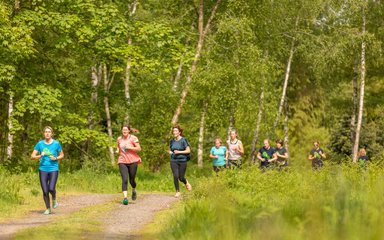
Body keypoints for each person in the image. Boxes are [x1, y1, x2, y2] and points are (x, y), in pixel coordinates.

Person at [31, 126, 64, 215]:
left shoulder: (56, 144)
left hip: (53, 169)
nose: (47, 133)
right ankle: (48, 208)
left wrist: (56, 158)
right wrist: (40, 156)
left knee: (51, 188)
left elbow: (62, 155)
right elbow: (32, 156)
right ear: (43, 133)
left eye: (49, 132)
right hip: (43, 169)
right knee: (45, 191)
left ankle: (54, 199)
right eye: (45, 132)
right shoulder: (40, 144)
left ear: (52, 133)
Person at [116, 125, 141, 205]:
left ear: (129, 131)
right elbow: (118, 148)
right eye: (123, 130)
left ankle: (133, 189)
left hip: (133, 160)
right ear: (121, 131)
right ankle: (125, 198)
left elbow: (139, 149)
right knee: (125, 179)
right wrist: (117, 151)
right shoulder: (119, 139)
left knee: (132, 179)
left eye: (126, 130)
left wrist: (130, 147)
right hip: (122, 161)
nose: (124, 131)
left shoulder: (133, 138)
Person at [169, 125, 192, 198]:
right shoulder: (172, 141)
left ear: (179, 132)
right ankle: (177, 191)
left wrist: (179, 152)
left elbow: (188, 150)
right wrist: (170, 152)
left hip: (182, 160)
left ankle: (186, 182)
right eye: (173, 131)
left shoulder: (183, 140)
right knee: (175, 175)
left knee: (181, 177)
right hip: (173, 160)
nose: (174, 132)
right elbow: (171, 150)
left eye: (175, 131)